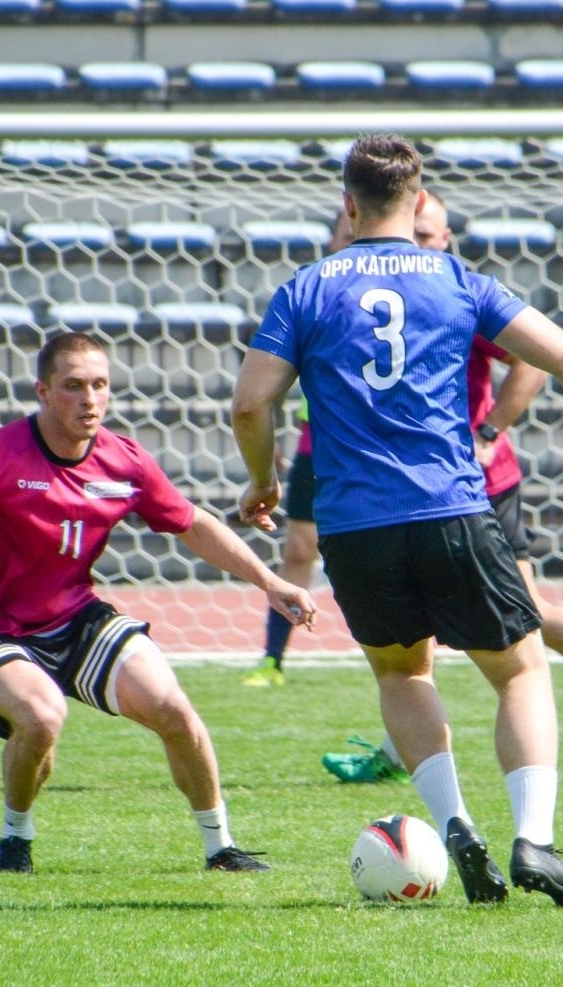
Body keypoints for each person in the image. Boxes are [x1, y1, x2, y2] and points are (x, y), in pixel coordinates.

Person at [232, 134, 563, 908]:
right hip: (452, 508)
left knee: (403, 671)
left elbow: (248, 402)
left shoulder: (305, 288)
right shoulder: (458, 279)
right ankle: (534, 837)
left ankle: (456, 822)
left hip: (354, 526)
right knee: (521, 666)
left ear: (349, 206)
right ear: (417, 196)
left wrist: (262, 484)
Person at [0, 331, 317, 875]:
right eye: (73, 386)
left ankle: (221, 848)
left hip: (74, 617)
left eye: (99, 385)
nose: (90, 399)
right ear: (43, 392)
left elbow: (193, 525)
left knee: (172, 707)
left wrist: (270, 581)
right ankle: (14, 840)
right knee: (41, 716)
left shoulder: (123, 461)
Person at [317, 190, 563, 781]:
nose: (421, 242)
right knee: (432, 624)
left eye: (431, 234)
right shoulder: (350, 297)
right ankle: (397, 750)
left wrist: (489, 429)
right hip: (420, 484)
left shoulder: (444, 290)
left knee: (516, 619)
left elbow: (537, 359)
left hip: (470, 482)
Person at [239, 208, 354, 688]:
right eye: (343, 236)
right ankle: (272, 659)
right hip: (317, 442)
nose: (350, 243)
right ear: (331, 239)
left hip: (367, 448)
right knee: (299, 548)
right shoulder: (315, 294)